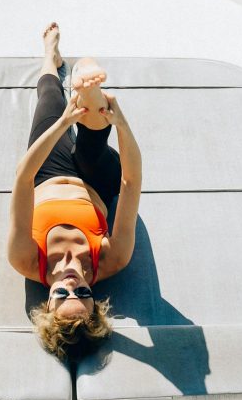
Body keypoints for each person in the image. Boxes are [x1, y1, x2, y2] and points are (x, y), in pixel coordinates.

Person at [8, 22, 142, 361]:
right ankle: (87, 84)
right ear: (94, 302)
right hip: (95, 182)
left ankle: (50, 57)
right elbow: (130, 182)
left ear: (47, 304)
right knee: (92, 145)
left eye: (61, 294)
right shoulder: (111, 258)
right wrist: (122, 124)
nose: (72, 283)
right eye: (82, 293)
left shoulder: (25, 258)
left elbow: (23, 179)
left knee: (50, 98)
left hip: (45, 174)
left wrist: (63, 123)